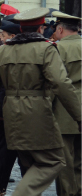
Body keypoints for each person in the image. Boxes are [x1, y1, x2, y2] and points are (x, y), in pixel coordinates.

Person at [0, 8, 82, 196]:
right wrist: (79, 116)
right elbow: (60, 83)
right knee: (55, 160)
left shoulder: (3, 50)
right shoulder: (46, 49)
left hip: (9, 111)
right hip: (37, 109)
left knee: (28, 162)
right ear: (41, 29)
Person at [0, 17, 28, 193]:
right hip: (30, 110)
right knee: (25, 156)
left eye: (2, 34)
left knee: (4, 154)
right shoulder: (41, 49)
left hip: (6, 109)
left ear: (12, 35)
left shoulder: (3, 51)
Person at [49, 11, 81, 196]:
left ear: (60, 29)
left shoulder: (57, 49)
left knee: (65, 161)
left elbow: (55, 82)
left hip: (65, 111)